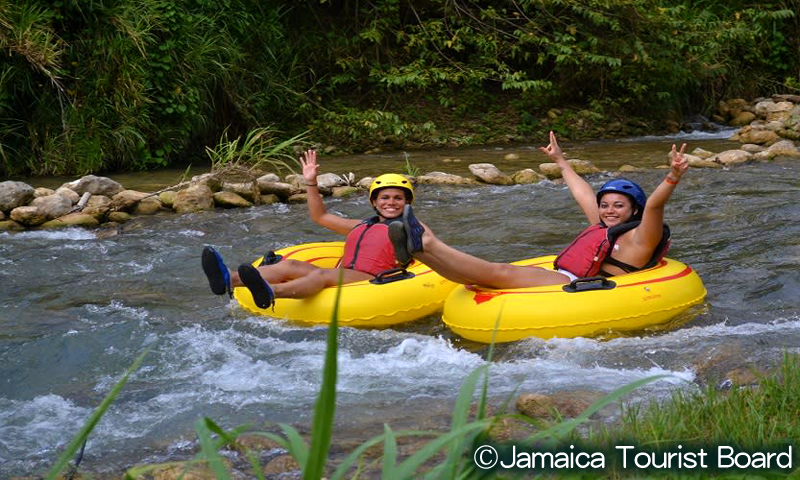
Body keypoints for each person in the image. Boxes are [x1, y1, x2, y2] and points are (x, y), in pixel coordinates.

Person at [388, 131, 689, 288]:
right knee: (480, 278)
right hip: (569, 277)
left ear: (634, 211)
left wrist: (672, 177)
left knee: (499, 272)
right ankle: (420, 252)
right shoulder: (604, 225)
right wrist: (560, 161)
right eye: (605, 205)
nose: (608, 211)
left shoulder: (641, 237)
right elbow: (583, 192)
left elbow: (655, 205)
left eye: (618, 206)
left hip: (580, 285)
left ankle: (429, 242)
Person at [202, 149, 413, 308]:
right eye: (385, 197)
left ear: (407, 202)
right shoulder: (361, 225)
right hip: (344, 274)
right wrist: (311, 182)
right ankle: (230, 279)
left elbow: (429, 248)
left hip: (372, 280)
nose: (391, 202)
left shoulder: (412, 227)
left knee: (323, 274)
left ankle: (271, 292)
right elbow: (320, 216)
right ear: (374, 203)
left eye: (398, 198)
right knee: (291, 265)